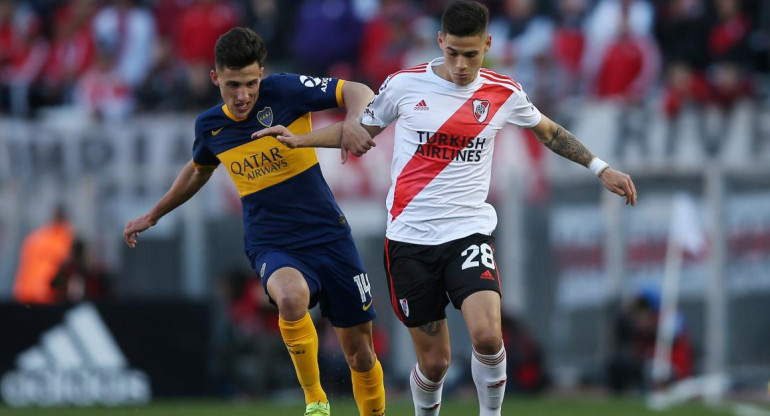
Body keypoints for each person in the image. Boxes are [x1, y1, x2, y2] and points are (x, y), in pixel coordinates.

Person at [254, 1, 638, 415]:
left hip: (468, 232)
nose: (460, 64)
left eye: (470, 54)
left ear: (487, 44)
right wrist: (299, 140)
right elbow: (358, 129)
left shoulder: (502, 92)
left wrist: (600, 168)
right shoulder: (404, 86)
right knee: (434, 364)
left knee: (489, 336)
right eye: (453, 52)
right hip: (409, 239)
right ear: (440, 42)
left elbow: (549, 131)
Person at [123, 27, 385, 416]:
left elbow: (359, 90)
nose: (243, 95)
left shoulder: (286, 90)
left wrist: (352, 121)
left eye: (250, 83)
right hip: (271, 240)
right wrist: (154, 213)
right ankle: (315, 401)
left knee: (360, 354)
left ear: (261, 73)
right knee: (291, 298)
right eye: (232, 85)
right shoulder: (211, 127)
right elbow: (197, 171)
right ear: (216, 78)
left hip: (328, 235)